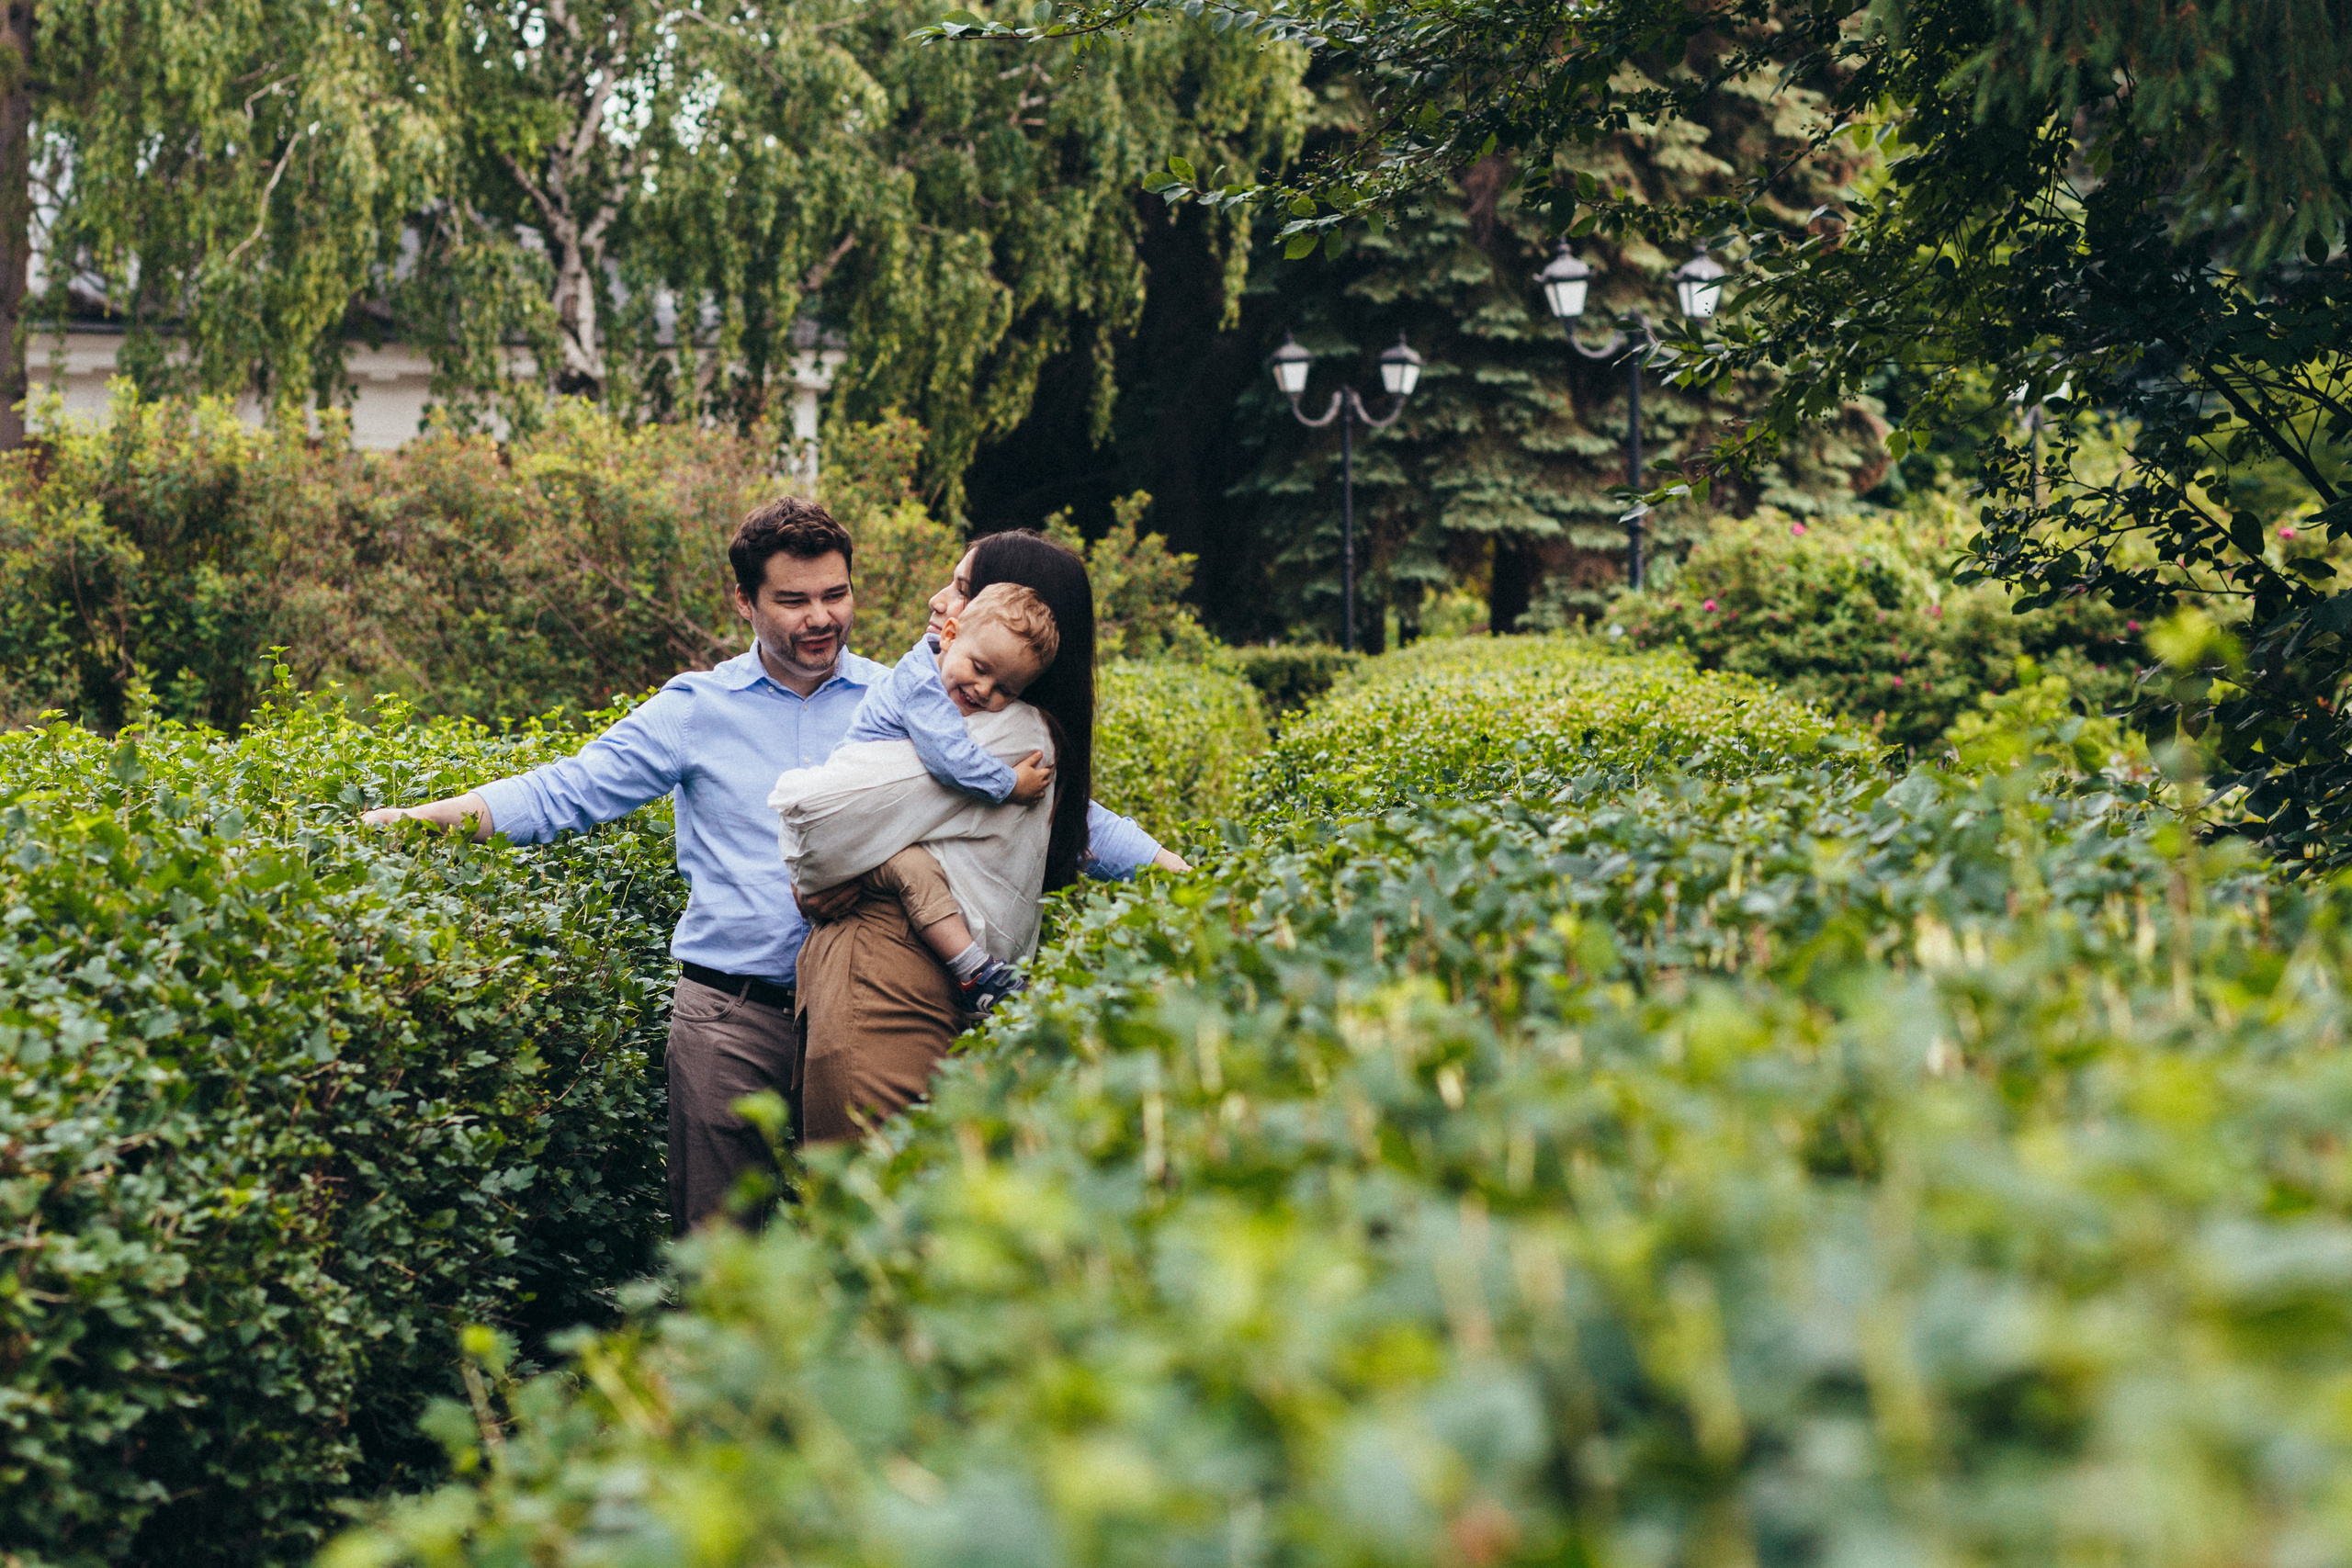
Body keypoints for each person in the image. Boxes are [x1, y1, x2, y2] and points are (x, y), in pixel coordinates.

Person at [357, 498, 1178, 1234]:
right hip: (732, 1014)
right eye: (793, 600)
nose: (821, 618)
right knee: (720, 1261)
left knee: (874, 1238)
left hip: (875, 1004)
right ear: (745, 602)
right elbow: (565, 790)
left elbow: (1061, 813)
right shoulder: (695, 709)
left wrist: (1175, 872)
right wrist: (423, 823)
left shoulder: (918, 700)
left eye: (836, 595)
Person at [788, 528, 1148, 1144]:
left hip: (898, 984)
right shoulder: (954, 708)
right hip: (884, 978)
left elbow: (1076, 818)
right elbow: (823, 816)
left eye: (959, 586)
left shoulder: (1000, 723)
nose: (936, 599)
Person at [827, 580, 1065, 1014]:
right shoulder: (921, 683)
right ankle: (973, 968)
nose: (983, 690)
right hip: (855, 812)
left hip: (875, 818)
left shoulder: (942, 676)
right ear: (949, 636)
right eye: (979, 668)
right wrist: (1010, 784)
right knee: (917, 871)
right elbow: (950, 759)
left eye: (1005, 690)